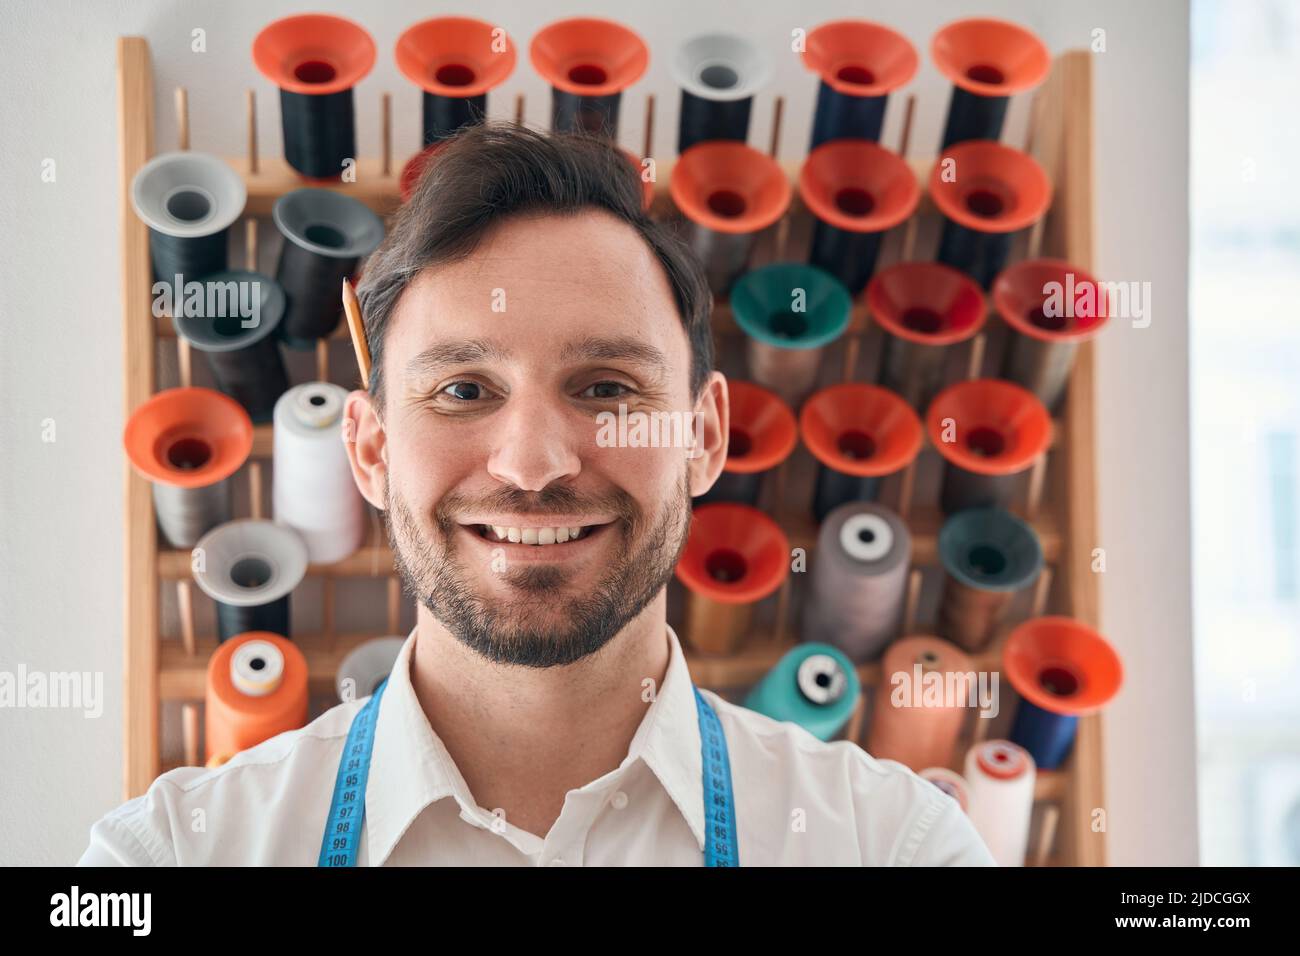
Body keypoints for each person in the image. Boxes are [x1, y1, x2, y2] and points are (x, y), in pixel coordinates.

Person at [80, 123, 994, 866]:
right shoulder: (162, 862)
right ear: (369, 449)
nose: (531, 464)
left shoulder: (895, 847)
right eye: (463, 391)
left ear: (704, 437)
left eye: (606, 388)